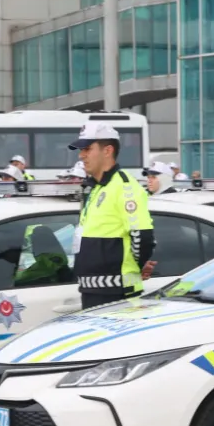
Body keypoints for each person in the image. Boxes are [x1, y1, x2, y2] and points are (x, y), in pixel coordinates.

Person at [69, 122, 155, 310]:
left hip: (116, 292)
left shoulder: (124, 186)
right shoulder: (96, 187)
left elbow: (142, 235)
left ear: (107, 150)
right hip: (93, 290)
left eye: (87, 149)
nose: (81, 155)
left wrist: (134, 267)